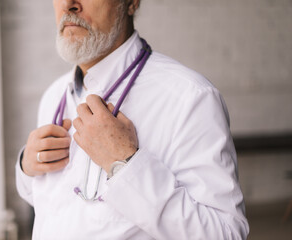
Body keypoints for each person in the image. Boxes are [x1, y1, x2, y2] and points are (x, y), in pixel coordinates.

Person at [16, 0, 250, 239]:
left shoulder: (190, 98)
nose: (68, 5)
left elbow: (225, 234)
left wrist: (126, 165)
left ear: (131, 3)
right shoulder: (54, 96)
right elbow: (56, 205)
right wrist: (26, 168)